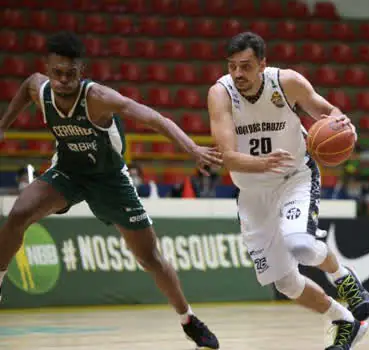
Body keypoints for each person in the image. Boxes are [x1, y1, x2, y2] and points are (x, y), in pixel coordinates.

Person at [0, 32, 221, 349]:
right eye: (57, 72)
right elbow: (25, 88)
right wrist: (5, 124)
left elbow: (153, 117)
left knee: (150, 258)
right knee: (19, 212)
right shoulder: (40, 87)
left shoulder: (98, 97)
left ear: (82, 70)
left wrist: (192, 148)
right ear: (48, 69)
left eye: (70, 74)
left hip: (109, 179)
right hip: (69, 171)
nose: (63, 80)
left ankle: (188, 319)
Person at [208, 32, 369, 350]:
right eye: (232, 67)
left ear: (263, 65)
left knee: (300, 243)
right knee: (285, 282)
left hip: (294, 177)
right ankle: (343, 321)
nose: (238, 74)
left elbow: (328, 112)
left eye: (246, 66)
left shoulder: (288, 83)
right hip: (253, 192)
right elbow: (227, 156)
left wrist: (342, 123)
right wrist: (263, 164)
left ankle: (344, 279)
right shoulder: (220, 93)